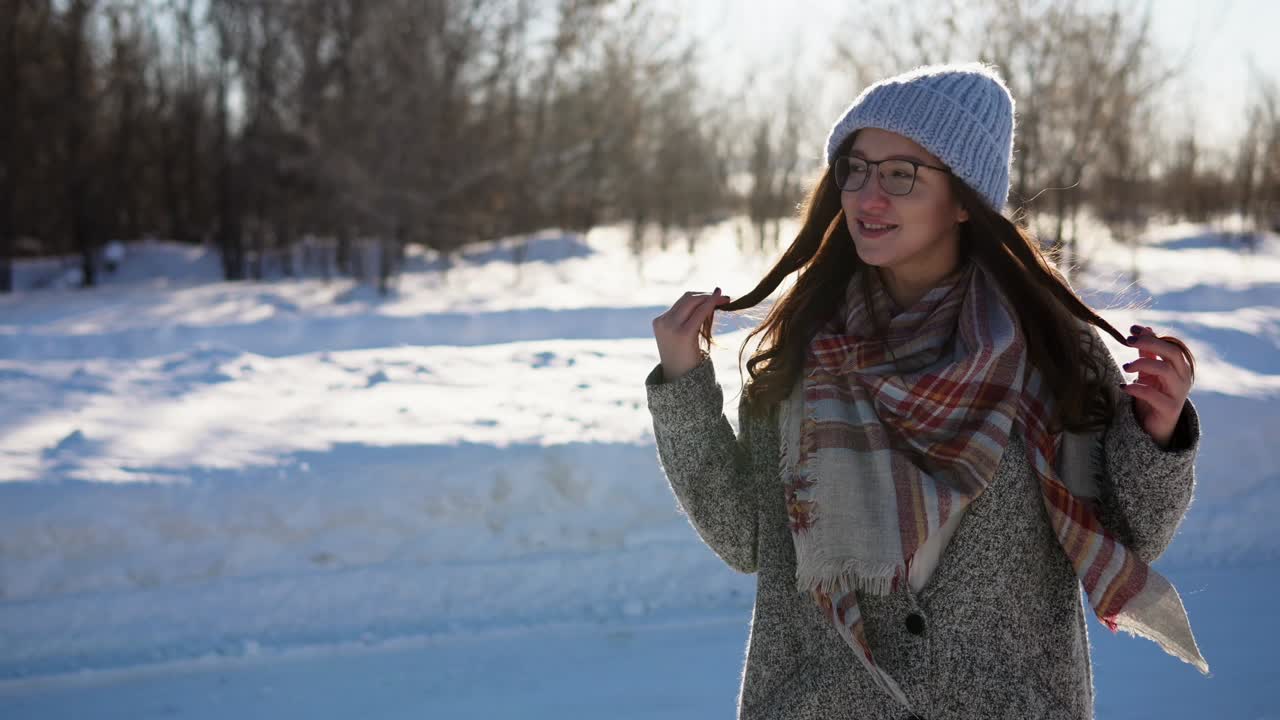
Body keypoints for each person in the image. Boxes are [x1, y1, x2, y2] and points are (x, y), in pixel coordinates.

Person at [645, 62, 1207, 720]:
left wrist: (1159, 435)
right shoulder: (803, 353)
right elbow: (745, 540)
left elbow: (1121, 531)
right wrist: (684, 389)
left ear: (965, 199)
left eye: (901, 175)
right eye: (855, 168)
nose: (866, 195)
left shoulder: (1049, 357)